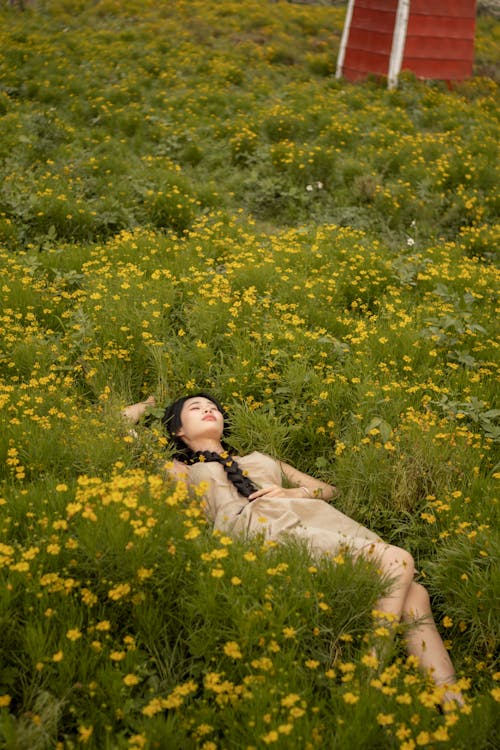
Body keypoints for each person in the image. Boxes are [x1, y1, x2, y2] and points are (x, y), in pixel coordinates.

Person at [124, 392, 465, 709]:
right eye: (195, 409)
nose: (208, 410)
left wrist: (291, 493)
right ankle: (367, 680)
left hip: (314, 521)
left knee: (416, 595)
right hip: (260, 533)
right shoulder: (180, 470)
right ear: (180, 430)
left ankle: (454, 706)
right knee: (397, 559)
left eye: (212, 406)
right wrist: (145, 406)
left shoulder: (261, 459)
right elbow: (122, 435)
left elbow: (328, 489)